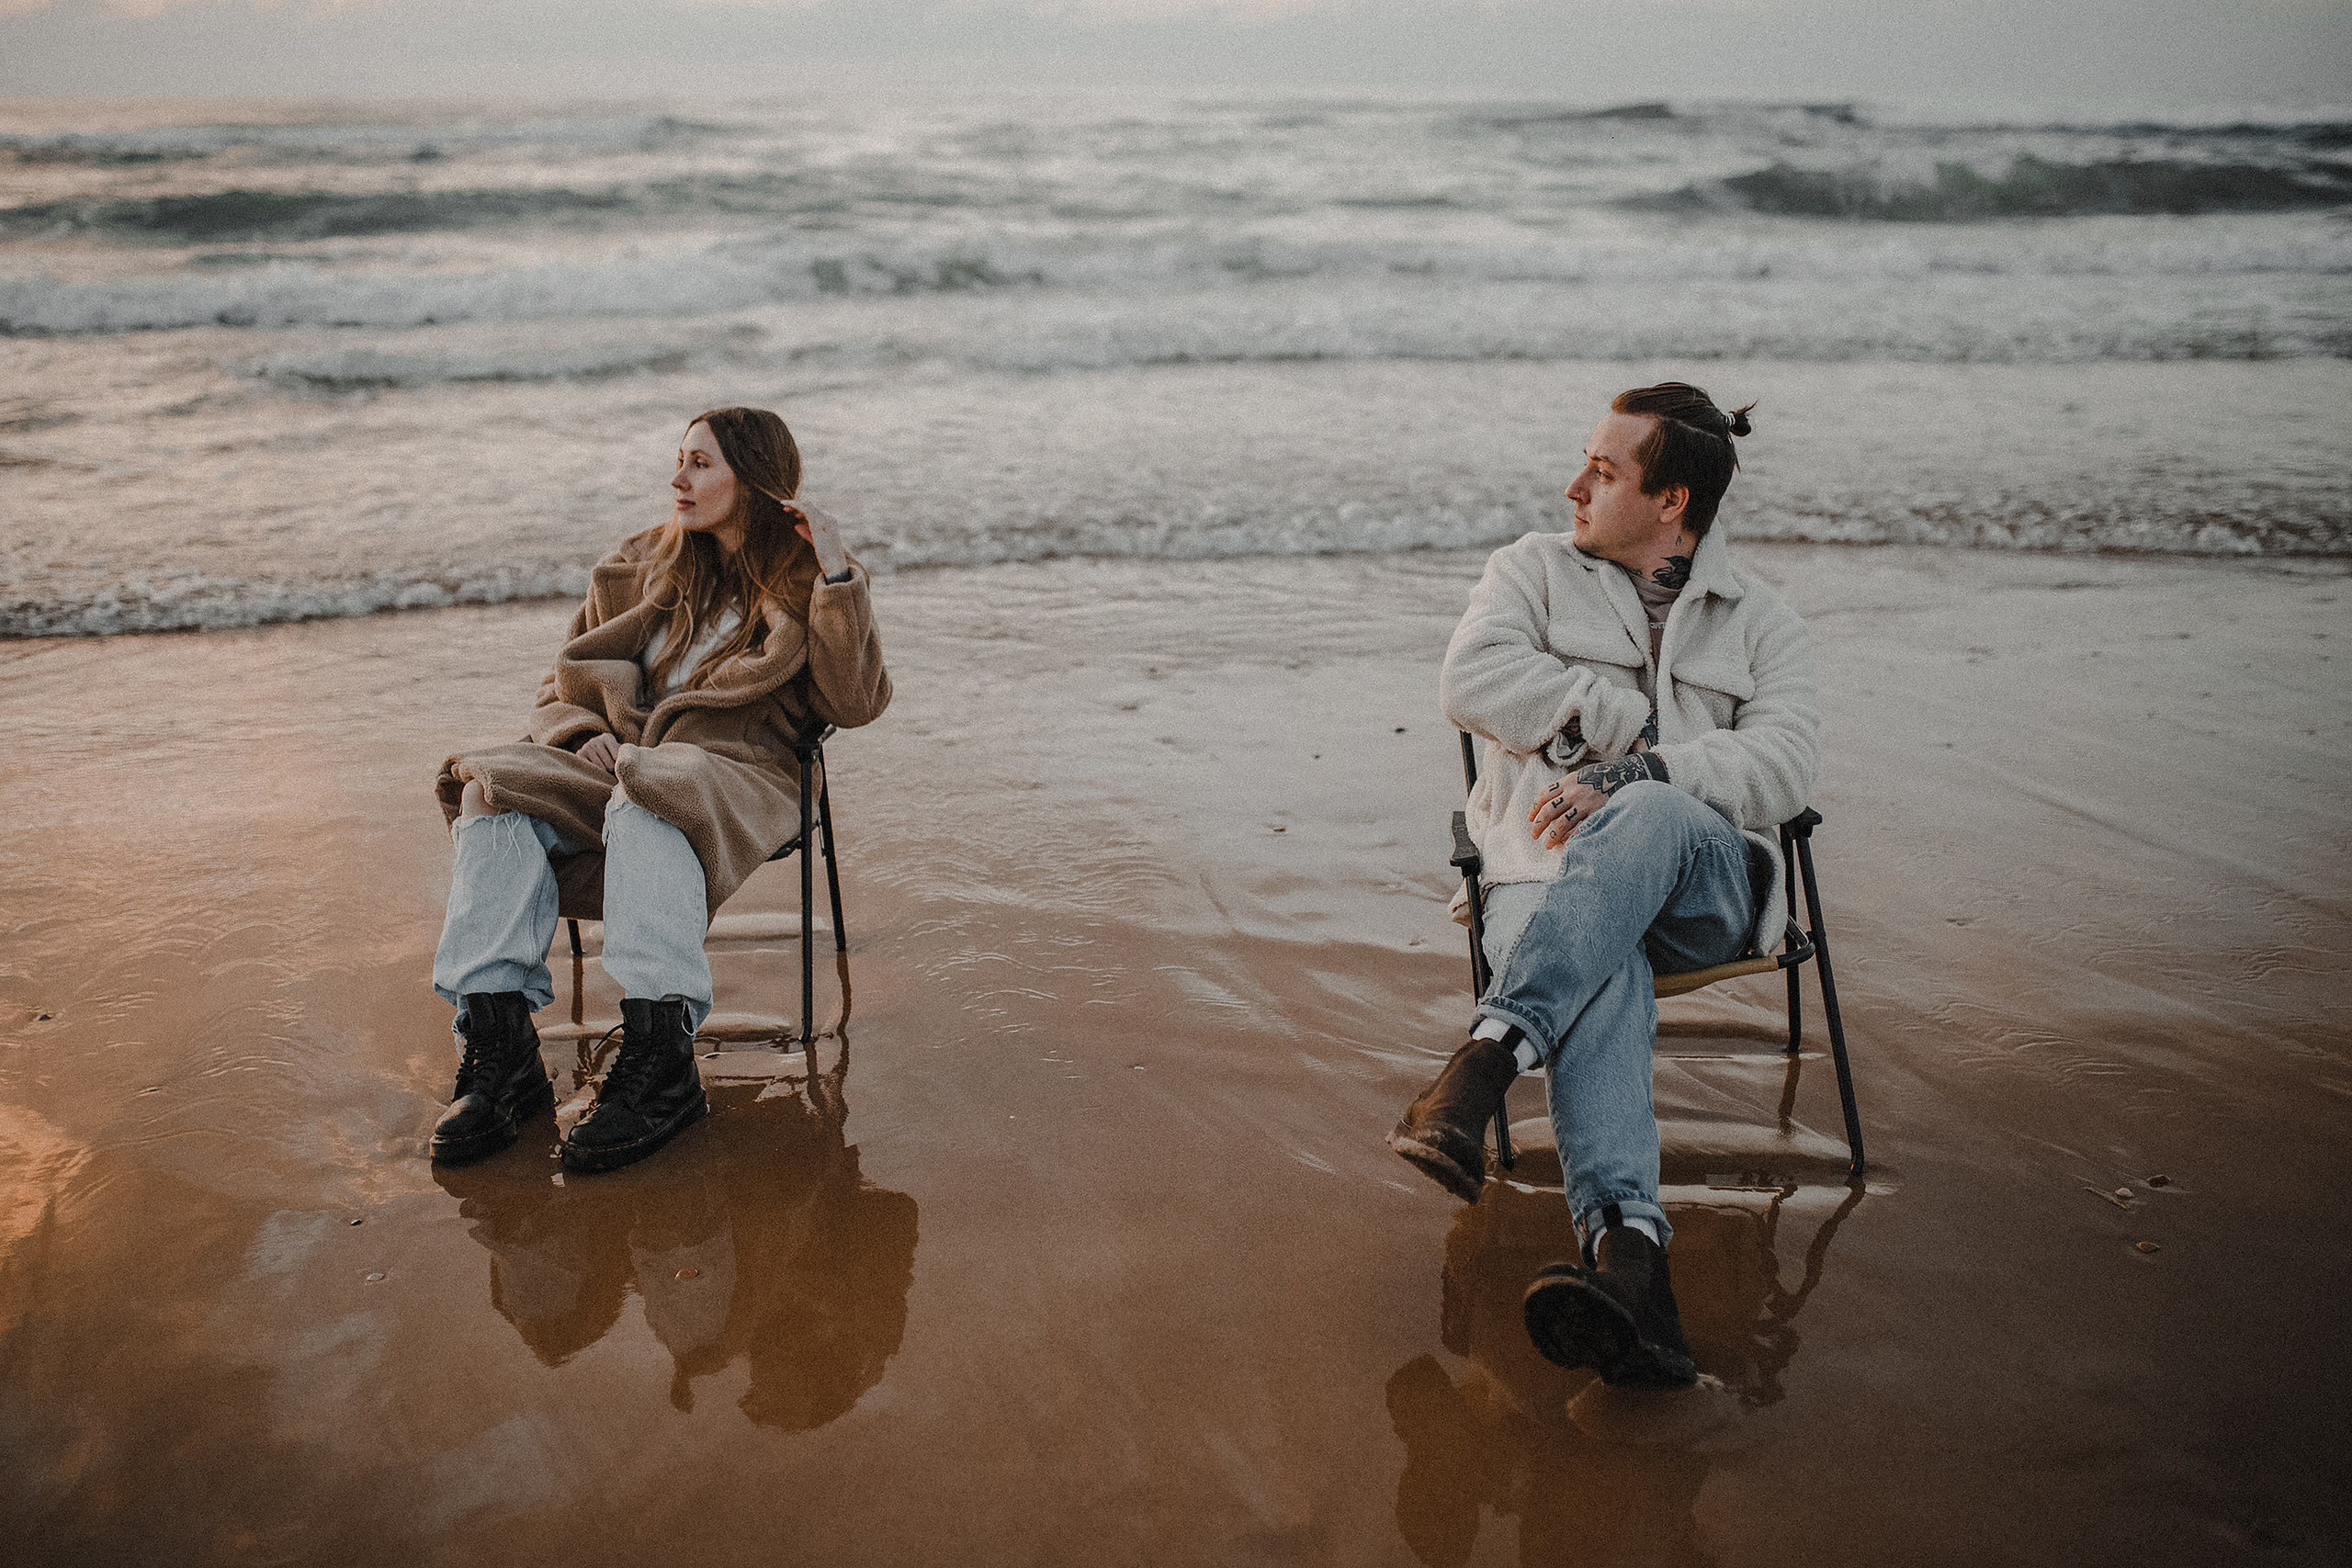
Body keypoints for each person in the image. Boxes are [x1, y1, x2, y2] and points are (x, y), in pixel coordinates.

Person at [1388, 382, 1818, 1390]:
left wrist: (1645, 774)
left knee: (1656, 813)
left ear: (1671, 501)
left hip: (1708, 897)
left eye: (1605, 469)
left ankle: (1491, 1052)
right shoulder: (1529, 574)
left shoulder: (1761, 621)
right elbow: (1472, 681)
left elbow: (1787, 765)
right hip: (1553, 887)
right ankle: (1631, 1264)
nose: (1572, 484)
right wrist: (1609, 719)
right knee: (1602, 957)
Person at [426, 406, 890, 1174]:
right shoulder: (641, 563)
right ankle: (498, 1047)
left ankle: (660, 1060)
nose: (679, 477)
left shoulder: (812, 577)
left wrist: (838, 570)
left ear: (755, 477)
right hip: (620, 762)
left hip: (741, 770)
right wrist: (579, 734)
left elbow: (856, 701)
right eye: (679, 459)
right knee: (493, 789)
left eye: (701, 463)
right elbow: (559, 685)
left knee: (650, 792)